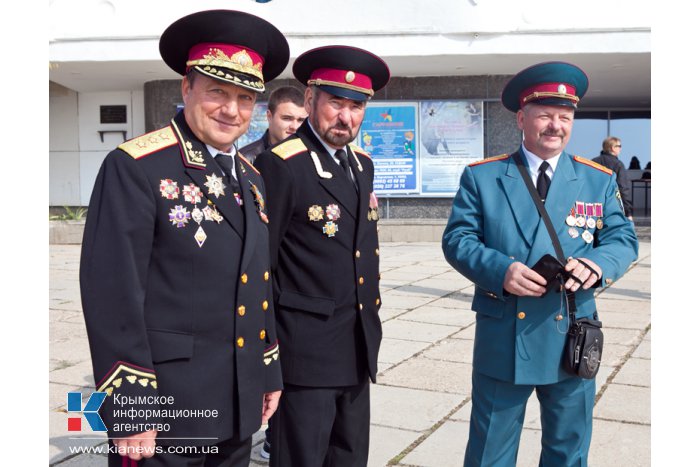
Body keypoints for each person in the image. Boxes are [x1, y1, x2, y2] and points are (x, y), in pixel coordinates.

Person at [79, 10, 289, 466]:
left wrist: (267, 368)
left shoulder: (252, 177)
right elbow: (112, 295)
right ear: (186, 88)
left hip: (236, 403)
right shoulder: (137, 167)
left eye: (245, 98)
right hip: (168, 409)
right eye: (217, 92)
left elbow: (258, 281)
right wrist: (130, 408)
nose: (231, 110)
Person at [442, 61, 638, 467]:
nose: (556, 126)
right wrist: (502, 271)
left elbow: (622, 239)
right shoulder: (485, 177)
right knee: (489, 453)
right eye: (545, 115)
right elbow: (457, 239)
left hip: (572, 332)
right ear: (521, 118)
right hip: (504, 333)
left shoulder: (596, 179)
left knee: (568, 451)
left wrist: (598, 264)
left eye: (565, 117)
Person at [254, 45, 390, 467]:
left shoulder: (361, 164)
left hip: (356, 346)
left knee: (350, 457)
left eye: (356, 106)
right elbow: (262, 264)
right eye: (336, 102)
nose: (345, 116)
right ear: (310, 101)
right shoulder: (282, 165)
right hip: (304, 354)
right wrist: (266, 353)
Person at [240, 86, 307, 165]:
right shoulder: (246, 159)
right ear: (269, 116)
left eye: (301, 120)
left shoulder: (312, 156)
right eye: (287, 118)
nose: (295, 126)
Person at [593, 136, 633, 220]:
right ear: (613, 148)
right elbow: (623, 189)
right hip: (612, 207)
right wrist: (628, 212)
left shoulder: (592, 162)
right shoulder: (618, 164)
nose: (620, 149)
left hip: (593, 207)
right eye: (619, 146)